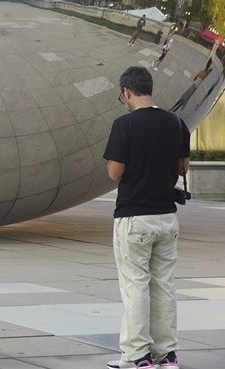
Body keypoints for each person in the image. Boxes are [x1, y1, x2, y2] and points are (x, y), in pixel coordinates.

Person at [103, 66, 189, 369]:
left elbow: (115, 172)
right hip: (167, 216)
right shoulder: (176, 123)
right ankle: (167, 354)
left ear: (127, 91)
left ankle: (137, 355)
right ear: (149, 89)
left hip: (134, 216)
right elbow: (183, 168)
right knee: (164, 285)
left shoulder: (124, 124)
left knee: (135, 286)